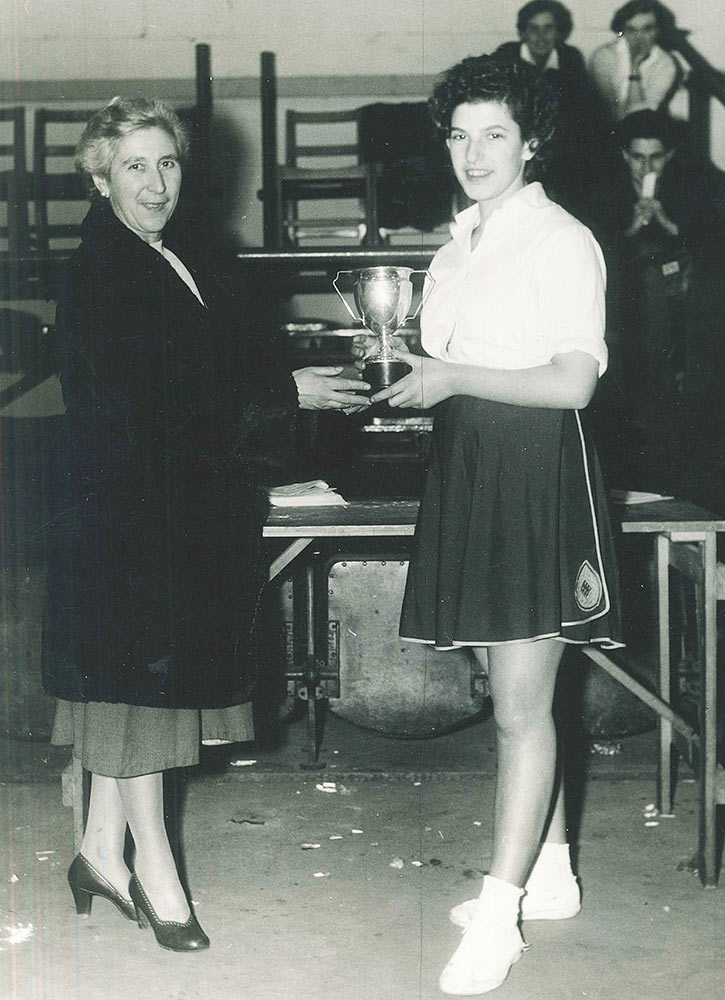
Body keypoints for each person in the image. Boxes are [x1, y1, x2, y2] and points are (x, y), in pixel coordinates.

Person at [42, 97, 368, 954]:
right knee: (142, 706)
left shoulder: (173, 254)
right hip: (124, 519)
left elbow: (209, 369)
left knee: (133, 697)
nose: (156, 183)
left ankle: (94, 855)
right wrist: (283, 396)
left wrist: (286, 378)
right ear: (100, 175)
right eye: (136, 167)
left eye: (168, 163)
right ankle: (157, 875)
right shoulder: (100, 272)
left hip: (171, 510)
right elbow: (155, 408)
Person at [368, 55, 623, 995]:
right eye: (458, 135)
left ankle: (500, 915)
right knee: (502, 681)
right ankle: (550, 872)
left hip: (537, 472)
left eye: (493, 136)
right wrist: (403, 375)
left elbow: (573, 382)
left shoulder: (561, 240)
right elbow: (444, 362)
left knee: (520, 709)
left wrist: (452, 378)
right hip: (470, 465)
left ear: (532, 142)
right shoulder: (454, 243)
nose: (471, 154)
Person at [493, 2, 599, 219]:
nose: (541, 36)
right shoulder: (505, 56)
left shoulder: (570, 58)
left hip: (556, 147)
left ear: (558, 32)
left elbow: (580, 112)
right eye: (534, 29)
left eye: (548, 28)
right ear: (522, 33)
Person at [589, 0, 681, 122]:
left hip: (644, 127)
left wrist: (635, 69)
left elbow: (640, 116)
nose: (639, 37)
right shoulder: (604, 57)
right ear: (622, 32)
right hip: (604, 125)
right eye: (631, 30)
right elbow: (615, 113)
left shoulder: (666, 64)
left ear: (659, 31)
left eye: (647, 29)